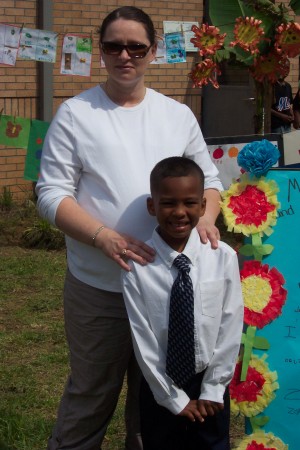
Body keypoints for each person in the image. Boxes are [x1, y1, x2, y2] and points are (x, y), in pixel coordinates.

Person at [35, 6, 223, 450]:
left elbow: (210, 181)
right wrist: (104, 237)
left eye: (136, 46)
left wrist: (209, 219)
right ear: (101, 52)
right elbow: (50, 194)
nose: (125, 55)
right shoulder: (76, 113)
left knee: (157, 403)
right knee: (91, 394)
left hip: (165, 287)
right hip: (99, 287)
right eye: (114, 46)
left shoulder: (176, 115)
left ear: (153, 52)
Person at [121, 157, 243, 450]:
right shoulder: (137, 267)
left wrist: (214, 388)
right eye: (168, 203)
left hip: (210, 385)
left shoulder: (222, 257)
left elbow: (230, 326)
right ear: (152, 206)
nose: (179, 212)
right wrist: (171, 398)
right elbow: (143, 339)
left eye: (189, 203)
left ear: (203, 206)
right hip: (161, 387)